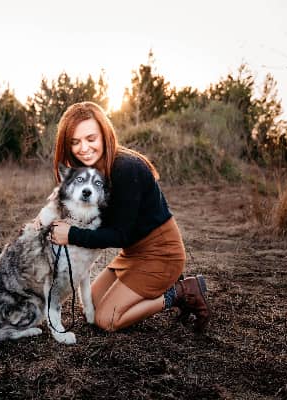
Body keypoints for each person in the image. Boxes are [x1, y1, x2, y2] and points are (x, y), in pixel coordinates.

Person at [48, 101, 210, 332]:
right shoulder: (92, 171)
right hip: (132, 253)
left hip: (161, 253)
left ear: (104, 134)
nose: (83, 148)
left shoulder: (126, 168)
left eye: (91, 138)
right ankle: (156, 287)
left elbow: (120, 235)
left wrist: (71, 235)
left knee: (106, 320)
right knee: (91, 306)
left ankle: (180, 292)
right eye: (75, 142)